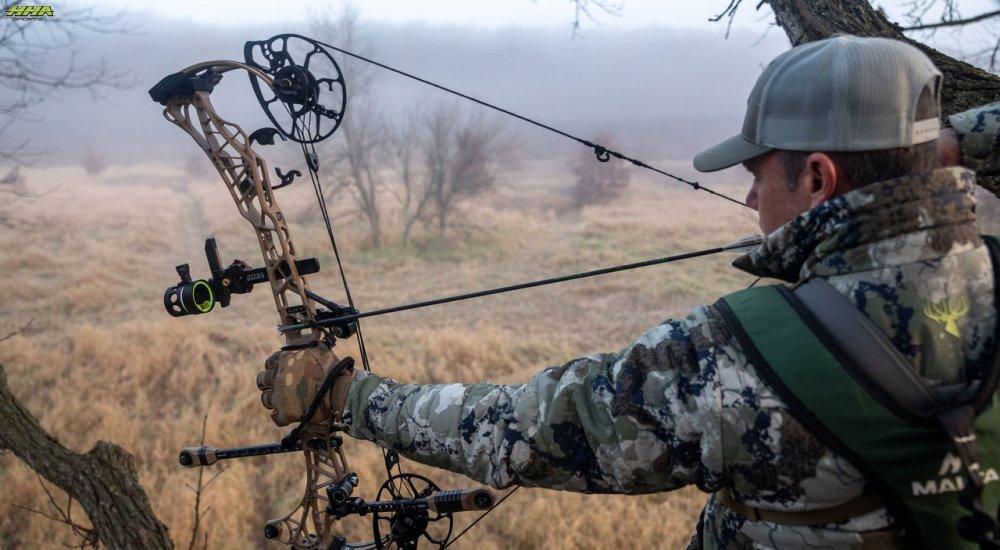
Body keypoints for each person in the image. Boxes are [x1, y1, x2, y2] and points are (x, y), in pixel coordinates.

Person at [256, 35, 1000, 548]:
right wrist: (913, 158)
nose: (748, 202)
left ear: (816, 180)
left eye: (758, 175)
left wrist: (345, 397)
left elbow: (524, 428)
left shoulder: (736, 362)